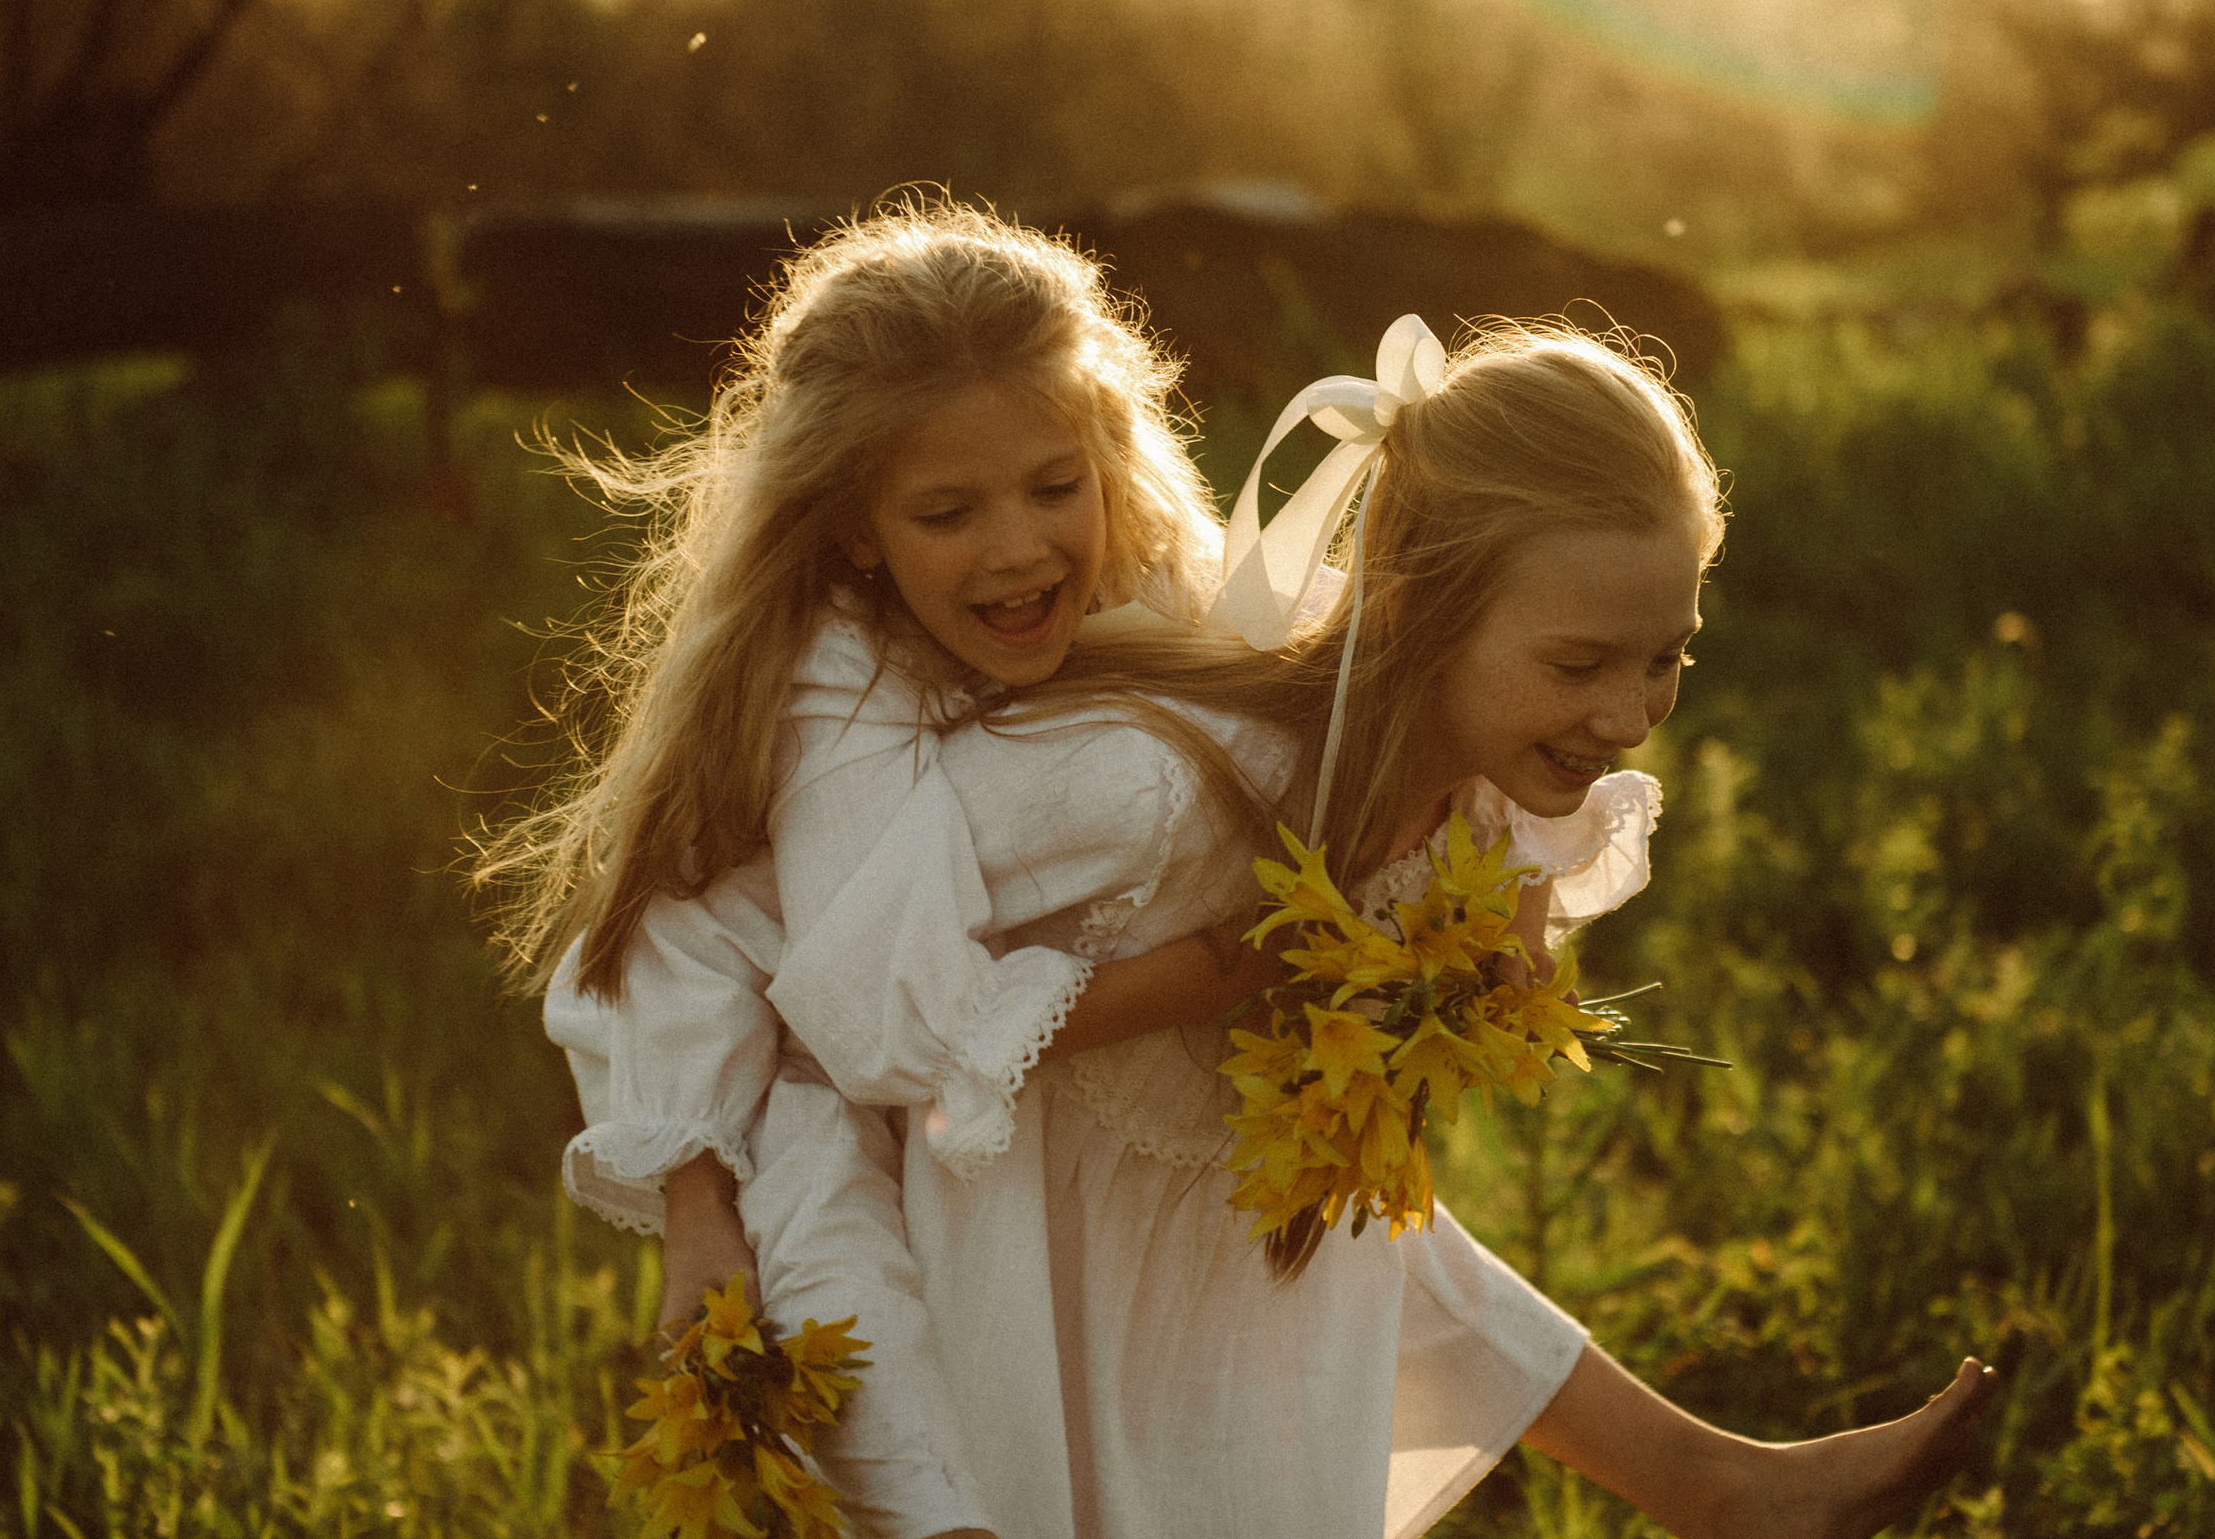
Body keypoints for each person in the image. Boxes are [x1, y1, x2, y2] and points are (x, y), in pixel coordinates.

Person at [758, 312, 2001, 1539]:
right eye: (1578, 667)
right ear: (1408, 611)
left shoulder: (1478, 806)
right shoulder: (1159, 790)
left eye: (1667, 656)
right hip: (1024, 1284)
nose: (1629, 714)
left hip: (1250, 1304)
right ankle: (1713, 1486)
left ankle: (1713, 1483)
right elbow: (819, 978)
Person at [484, 197, 1268, 1539]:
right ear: (857, 527)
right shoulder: (824, 672)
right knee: (920, 1459)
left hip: (992, 1118)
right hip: (796, 1098)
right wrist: (696, 1208)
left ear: (1105, 459)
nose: (1019, 545)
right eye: (949, 510)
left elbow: (1280, 724)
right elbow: (814, 1001)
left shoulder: (1143, 578)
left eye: (1052, 486)